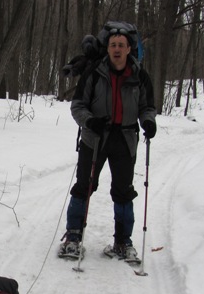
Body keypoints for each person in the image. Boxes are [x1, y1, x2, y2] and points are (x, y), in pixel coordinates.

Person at [60, 26, 156, 260]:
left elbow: (147, 107)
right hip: (95, 139)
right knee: (84, 186)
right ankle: (73, 237)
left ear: (129, 49)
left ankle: (123, 242)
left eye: (121, 45)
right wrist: (89, 121)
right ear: (108, 49)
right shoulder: (94, 72)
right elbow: (77, 106)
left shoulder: (139, 75)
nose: (116, 49)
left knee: (124, 192)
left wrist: (148, 122)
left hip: (125, 139)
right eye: (113, 45)